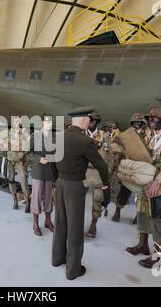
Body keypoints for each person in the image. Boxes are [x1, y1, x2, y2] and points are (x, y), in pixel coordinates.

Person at [52, 107, 110, 280]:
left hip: (60, 183)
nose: (89, 122)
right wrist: (106, 183)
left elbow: (51, 161)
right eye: (88, 119)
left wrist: (56, 181)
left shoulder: (59, 137)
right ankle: (73, 270)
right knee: (75, 228)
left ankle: (57, 259)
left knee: (60, 222)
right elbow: (101, 165)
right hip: (75, 186)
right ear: (84, 121)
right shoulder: (85, 141)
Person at [125, 106, 161, 269]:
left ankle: (159, 256)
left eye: (154, 118)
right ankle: (143, 245)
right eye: (149, 118)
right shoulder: (148, 135)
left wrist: (157, 182)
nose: (150, 121)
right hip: (144, 181)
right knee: (141, 212)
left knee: (157, 218)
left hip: (160, 183)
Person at [111, 113, 148, 223]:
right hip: (129, 166)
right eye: (135, 122)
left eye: (139, 122)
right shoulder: (126, 134)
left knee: (141, 194)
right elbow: (116, 145)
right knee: (124, 190)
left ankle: (138, 215)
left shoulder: (147, 135)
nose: (137, 123)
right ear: (131, 123)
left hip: (142, 167)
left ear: (143, 123)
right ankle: (117, 211)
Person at [83, 112, 113, 238]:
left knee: (98, 201)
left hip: (99, 174)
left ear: (97, 122)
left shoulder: (104, 137)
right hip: (83, 173)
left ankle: (93, 224)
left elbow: (110, 158)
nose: (89, 122)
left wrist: (108, 175)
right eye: (88, 120)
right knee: (77, 200)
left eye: (92, 120)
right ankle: (76, 223)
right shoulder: (81, 135)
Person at [27, 115, 57, 236]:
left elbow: (56, 154)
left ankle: (48, 221)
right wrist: (39, 159)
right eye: (48, 121)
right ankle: (35, 223)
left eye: (51, 121)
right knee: (36, 198)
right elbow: (28, 153)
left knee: (49, 198)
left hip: (50, 172)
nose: (50, 123)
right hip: (38, 172)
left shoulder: (53, 138)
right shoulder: (35, 136)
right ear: (42, 123)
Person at [7, 116, 31, 212]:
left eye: (19, 121)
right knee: (11, 180)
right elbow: (5, 145)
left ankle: (28, 202)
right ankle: (15, 200)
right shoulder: (9, 133)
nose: (18, 123)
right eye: (16, 121)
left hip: (21, 160)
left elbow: (27, 146)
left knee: (24, 181)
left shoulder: (25, 133)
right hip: (10, 160)